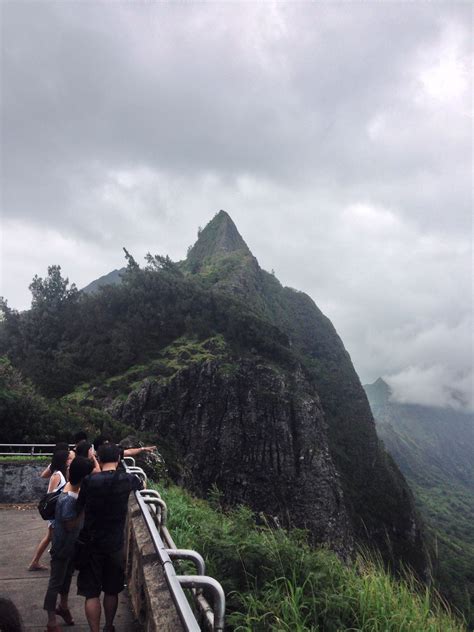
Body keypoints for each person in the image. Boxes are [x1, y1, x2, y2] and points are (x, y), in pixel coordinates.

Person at [76, 443, 144, 632]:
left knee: (91, 593)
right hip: (114, 544)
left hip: (90, 542)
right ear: (119, 459)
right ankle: (109, 626)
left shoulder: (89, 481)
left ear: (99, 459)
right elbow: (141, 484)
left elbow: (79, 507)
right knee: (112, 589)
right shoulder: (127, 479)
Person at [43, 457, 93, 632]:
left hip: (72, 546)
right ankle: (51, 621)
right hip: (62, 546)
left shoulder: (74, 490)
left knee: (65, 579)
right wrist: (84, 508)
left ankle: (63, 607)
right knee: (55, 582)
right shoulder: (69, 499)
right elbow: (69, 524)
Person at [29, 450, 71, 571]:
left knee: (51, 538)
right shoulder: (57, 475)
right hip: (55, 513)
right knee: (50, 537)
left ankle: (36, 561)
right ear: (63, 461)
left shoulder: (62, 474)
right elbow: (50, 496)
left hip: (58, 512)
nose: (70, 461)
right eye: (68, 459)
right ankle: (35, 561)